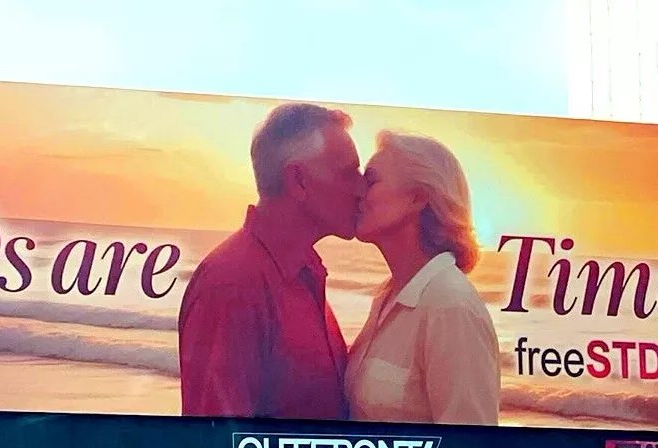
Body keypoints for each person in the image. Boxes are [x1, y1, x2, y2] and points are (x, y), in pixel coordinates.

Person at [178, 103, 365, 420]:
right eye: (349, 174)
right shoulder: (232, 286)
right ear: (298, 181)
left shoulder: (305, 268)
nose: (361, 189)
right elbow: (215, 441)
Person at [344, 130, 501, 425]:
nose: (357, 193)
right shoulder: (389, 295)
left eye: (371, 181)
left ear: (418, 198)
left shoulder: (451, 307)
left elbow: (470, 446)